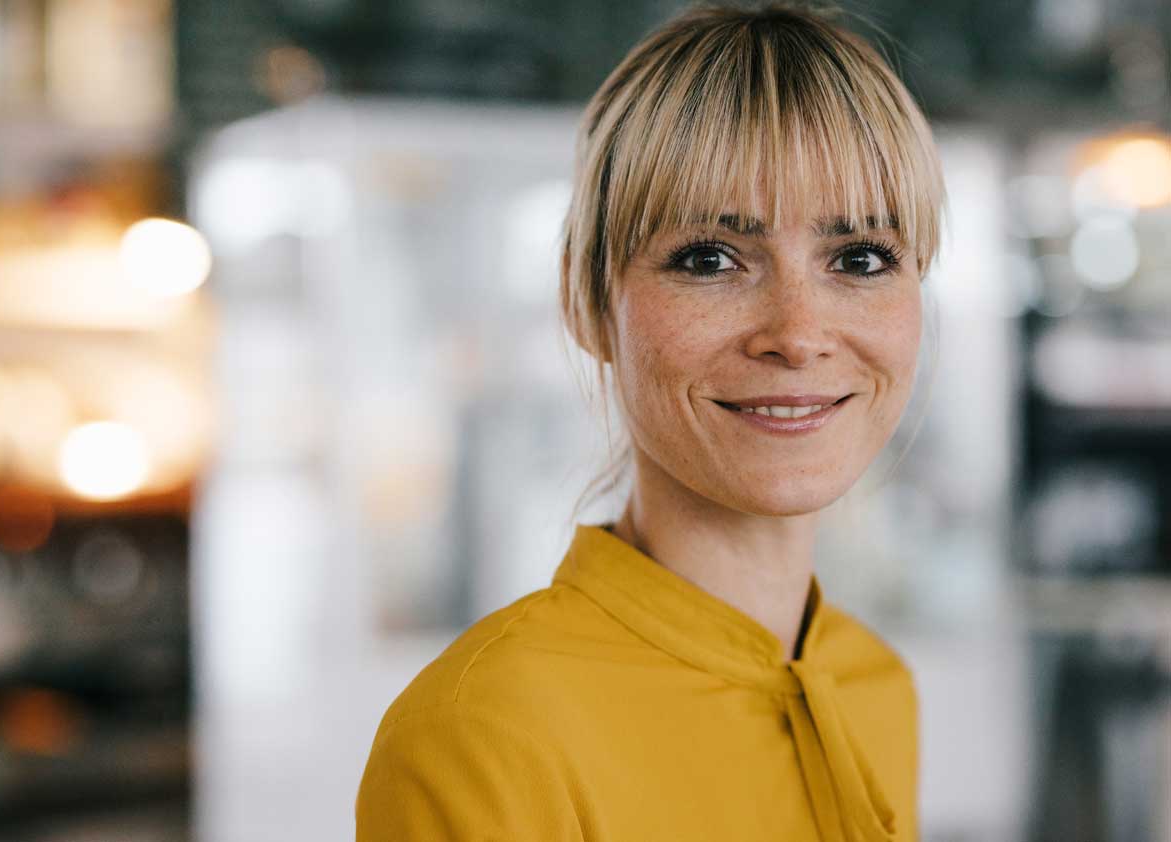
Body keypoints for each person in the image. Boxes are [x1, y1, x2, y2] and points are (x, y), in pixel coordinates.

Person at [356, 2, 945, 840]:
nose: (798, 334)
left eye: (859, 258)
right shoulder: (484, 732)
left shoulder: (877, 686)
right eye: (709, 258)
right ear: (586, 301)